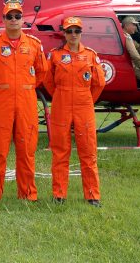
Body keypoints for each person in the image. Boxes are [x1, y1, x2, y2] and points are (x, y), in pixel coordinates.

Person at [0, 0, 47, 202]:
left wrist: (25, 86)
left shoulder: (34, 45)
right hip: (0, 103)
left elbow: (42, 72)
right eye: (10, 16)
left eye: (17, 16)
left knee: (26, 150)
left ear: (23, 19)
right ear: (4, 19)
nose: (14, 20)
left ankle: (27, 193)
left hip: (26, 103)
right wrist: (2, 85)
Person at [43, 17, 106, 207]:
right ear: (63, 33)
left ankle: (92, 195)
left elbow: (99, 83)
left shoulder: (90, 55)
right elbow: (48, 80)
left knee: (88, 151)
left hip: (83, 105)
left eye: (76, 31)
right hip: (61, 104)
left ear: (81, 33)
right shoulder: (54, 55)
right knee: (60, 151)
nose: (73, 35)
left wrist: (86, 99)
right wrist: (61, 95)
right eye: (69, 31)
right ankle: (59, 194)